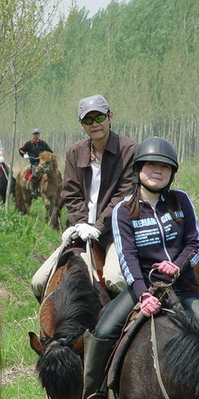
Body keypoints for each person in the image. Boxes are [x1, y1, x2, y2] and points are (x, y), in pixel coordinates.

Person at [80, 136, 199, 399]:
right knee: (102, 331)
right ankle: (94, 398)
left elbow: (194, 244)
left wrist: (177, 266)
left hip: (182, 290)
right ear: (138, 170)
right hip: (143, 287)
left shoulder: (181, 201)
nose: (157, 171)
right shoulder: (124, 210)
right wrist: (142, 295)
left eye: (164, 166)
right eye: (151, 165)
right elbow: (127, 256)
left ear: (172, 173)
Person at [30, 94, 136, 300]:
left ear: (110, 117)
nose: (94, 124)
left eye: (99, 117)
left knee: (116, 279)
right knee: (39, 282)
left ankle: (128, 330)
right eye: (88, 120)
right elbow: (71, 192)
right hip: (82, 231)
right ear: (81, 124)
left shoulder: (129, 150)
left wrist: (97, 227)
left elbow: (125, 194)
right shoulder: (74, 152)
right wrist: (80, 225)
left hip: (115, 231)